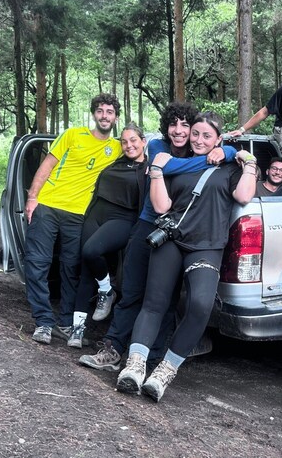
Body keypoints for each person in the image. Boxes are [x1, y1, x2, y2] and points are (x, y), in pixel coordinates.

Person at [78, 103, 237, 371]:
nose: (179, 130)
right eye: (173, 124)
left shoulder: (199, 148)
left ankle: (149, 360)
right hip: (149, 225)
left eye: (185, 125)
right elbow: (171, 167)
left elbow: (203, 166)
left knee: (165, 300)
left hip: (180, 234)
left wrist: (229, 152)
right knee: (132, 290)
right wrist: (224, 153)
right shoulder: (157, 147)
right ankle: (113, 349)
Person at [115, 112, 256, 401]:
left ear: (218, 139)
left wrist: (247, 160)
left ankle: (165, 371)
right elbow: (161, 206)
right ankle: (135, 367)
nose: (199, 140)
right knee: (154, 303)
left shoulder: (230, 166)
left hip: (207, 246)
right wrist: (157, 170)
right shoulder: (174, 163)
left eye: (207, 136)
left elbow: (243, 196)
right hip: (173, 240)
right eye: (196, 134)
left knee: (201, 306)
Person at [25, 93, 123, 345]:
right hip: (48, 205)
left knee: (71, 268)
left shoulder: (118, 148)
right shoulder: (72, 135)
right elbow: (47, 165)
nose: (104, 116)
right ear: (94, 114)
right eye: (100, 111)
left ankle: (66, 322)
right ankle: (43, 322)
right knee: (38, 263)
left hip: (79, 215)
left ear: (116, 117)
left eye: (109, 112)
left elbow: (144, 148)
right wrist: (32, 198)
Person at [67, 123, 148, 348]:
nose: (129, 145)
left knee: (91, 251)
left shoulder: (149, 169)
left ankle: (106, 290)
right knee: (86, 269)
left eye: (133, 140)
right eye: (124, 141)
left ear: (143, 142)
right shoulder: (115, 162)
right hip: (96, 214)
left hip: (123, 218)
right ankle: (77, 329)